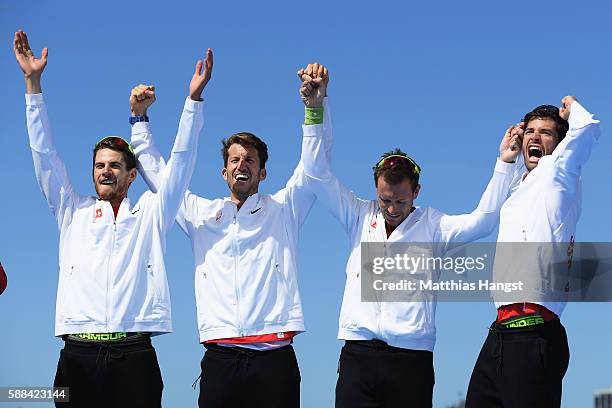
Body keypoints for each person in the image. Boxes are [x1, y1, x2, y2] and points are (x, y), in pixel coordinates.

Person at [298, 67, 521, 407]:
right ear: (376, 189)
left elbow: (484, 221)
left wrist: (504, 164)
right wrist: (316, 108)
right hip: (358, 355)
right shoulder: (359, 214)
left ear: (416, 191)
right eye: (385, 199)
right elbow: (316, 173)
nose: (391, 207)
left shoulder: (435, 226)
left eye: (400, 200)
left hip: (411, 360)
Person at [14, 30, 211, 407]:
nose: (106, 172)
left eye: (115, 166)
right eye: (99, 166)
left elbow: (181, 164)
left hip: (135, 356)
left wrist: (193, 102)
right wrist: (32, 86)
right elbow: (44, 155)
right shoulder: (71, 210)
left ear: (132, 174)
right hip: (75, 354)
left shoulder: (153, 212)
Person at [130, 63, 332, 407]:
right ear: (224, 172)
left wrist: (315, 107)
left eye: (250, 160)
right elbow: (161, 175)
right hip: (221, 358)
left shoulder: (285, 209)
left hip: (275, 358)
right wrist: (140, 121)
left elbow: (315, 165)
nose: (242, 165)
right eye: (235, 159)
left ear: (263, 171)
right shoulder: (200, 214)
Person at [465, 97, 600, 407]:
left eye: (546, 133)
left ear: (560, 144)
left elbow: (589, 129)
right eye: (530, 132)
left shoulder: (559, 173)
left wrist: (571, 109)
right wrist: (504, 159)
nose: (535, 137)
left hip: (535, 333)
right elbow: (485, 216)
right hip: (499, 334)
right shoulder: (517, 186)